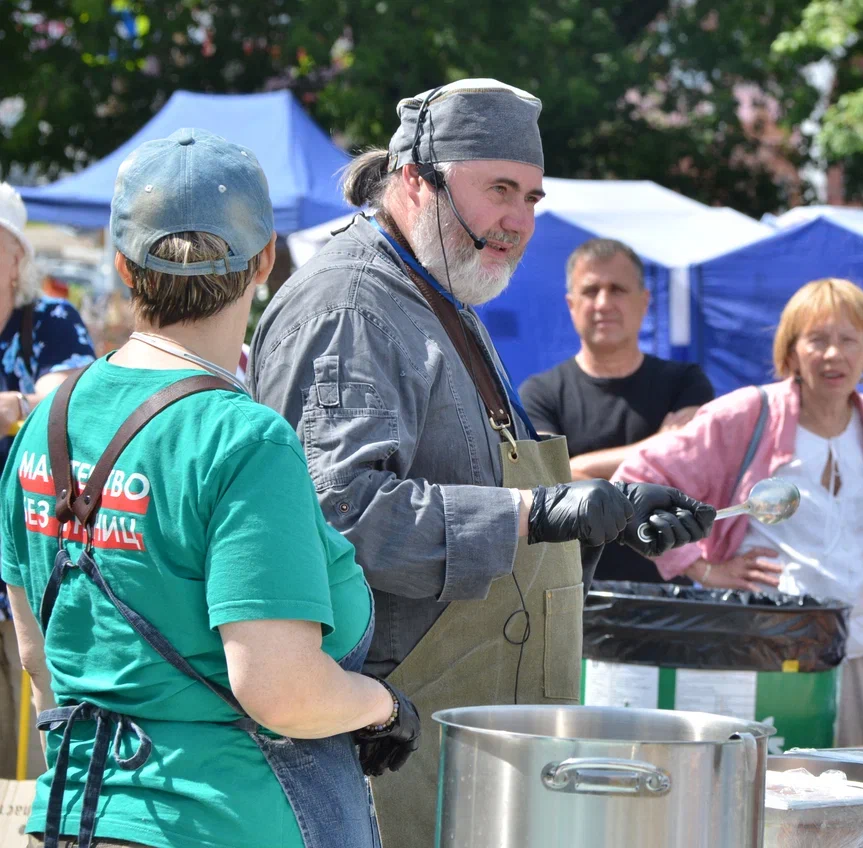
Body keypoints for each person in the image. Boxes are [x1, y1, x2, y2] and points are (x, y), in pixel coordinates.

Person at [249, 79, 714, 844]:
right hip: (385, 754)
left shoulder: (444, 297)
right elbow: (338, 516)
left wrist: (606, 516)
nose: (520, 221)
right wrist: (537, 513)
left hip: (475, 755)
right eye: (499, 190)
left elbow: (490, 498)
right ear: (413, 181)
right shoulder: (350, 306)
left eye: (532, 196)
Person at [0, 129, 420, 848]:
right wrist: (383, 708)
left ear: (124, 269)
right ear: (263, 262)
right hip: (223, 819)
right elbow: (280, 690)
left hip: (75, 816)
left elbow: (40, 660)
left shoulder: (46, 423)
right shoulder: (243, 440)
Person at [614, 278, 863, 747]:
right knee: (760, 797)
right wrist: (701, 567)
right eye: (817, 339)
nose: (833, 355)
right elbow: (635, 479)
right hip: (767, 649)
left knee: (847, 801)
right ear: (791, 350)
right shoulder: (750, 413)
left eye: (849, 339)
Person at [519, 237, 716, 583]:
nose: (603, 303)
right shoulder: (539, 394)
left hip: (671, 597)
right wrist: (656, 446)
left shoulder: (686, 383)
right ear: (571, 304)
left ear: (644, 302)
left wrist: (581, 470)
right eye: (591, 291)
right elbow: (547, 483)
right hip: (575, 597)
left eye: (618, 289)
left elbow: (692, 474)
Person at [0, 182, 96, 781]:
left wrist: (17, 405)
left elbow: (72, 398)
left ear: (17, 259)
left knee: (38, 755)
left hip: (31, 567)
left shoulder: (50, 321)